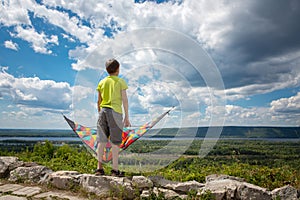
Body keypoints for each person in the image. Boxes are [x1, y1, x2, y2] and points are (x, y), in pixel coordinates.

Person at [95, 58, 131, 177]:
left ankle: (99, 169)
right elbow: (125, 100)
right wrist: (126, 117)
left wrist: (100, 113)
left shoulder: (102, 82)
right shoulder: (121, 82)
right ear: (118, 69)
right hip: (115, 112)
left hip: (103, 111)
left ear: (107, 70)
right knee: (115, 142)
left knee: (101, 141)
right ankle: (115, 170)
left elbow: (98, 101)